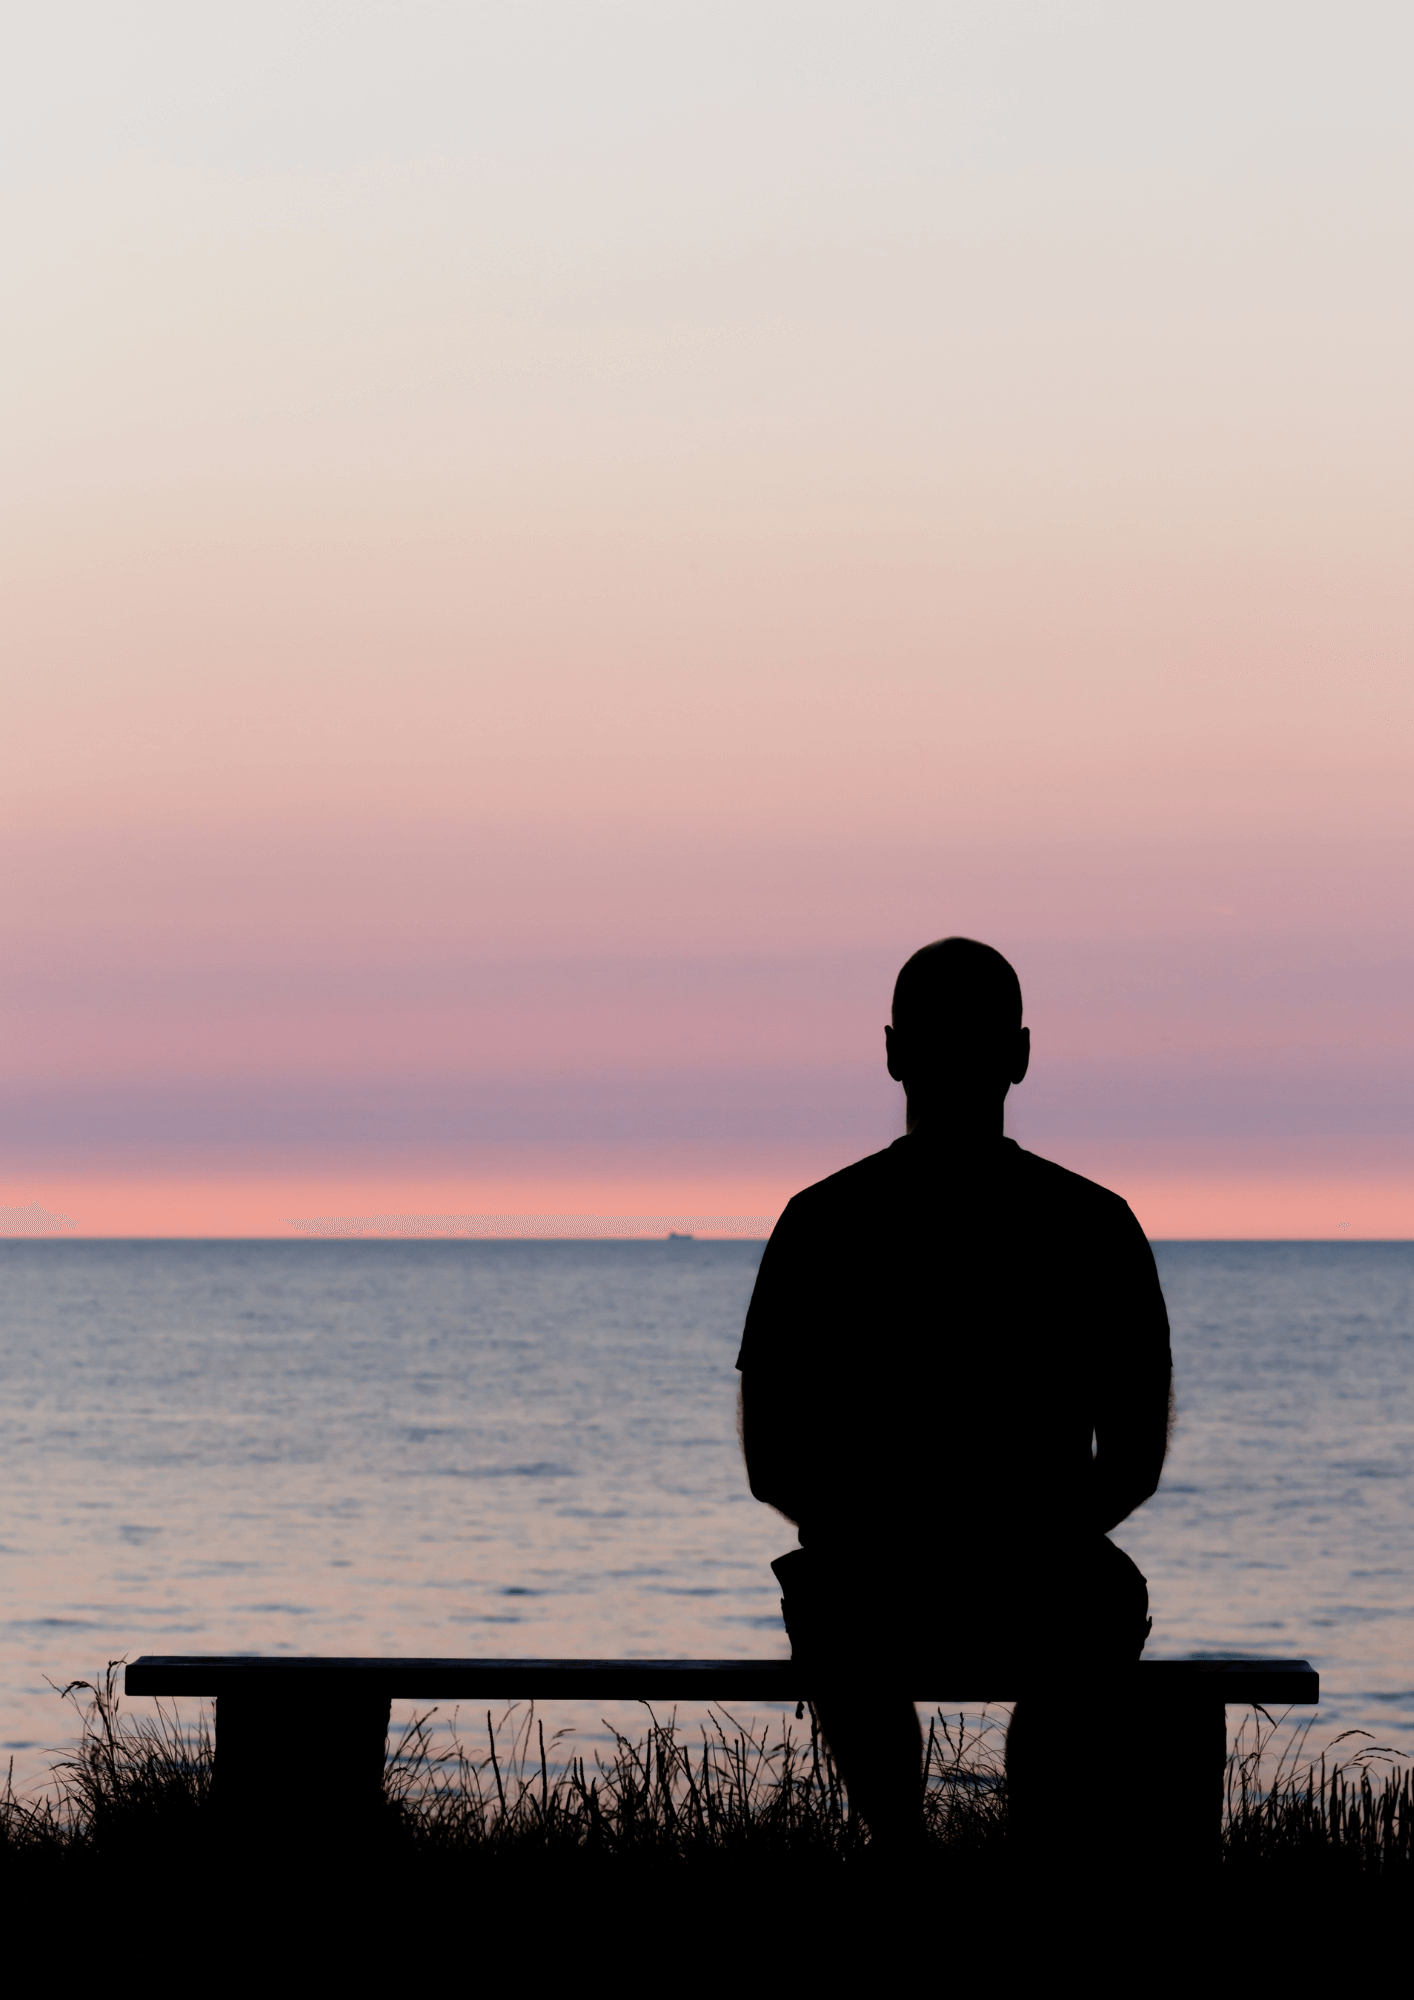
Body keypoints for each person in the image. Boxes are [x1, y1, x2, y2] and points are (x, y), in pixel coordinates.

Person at [736, 937, 1172, 1850]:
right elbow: (1132, 1459)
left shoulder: (820, 1222)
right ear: (1019, 1055)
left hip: (867, 1580)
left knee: (831, 1599)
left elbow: (773, 1459)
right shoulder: (1096, 1224)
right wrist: (1035, 1535)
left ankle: (898, 1841)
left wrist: (874, 1530)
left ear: (893, 1052)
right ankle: (1035, 1841)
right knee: (1101, 1603)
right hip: (1048, 1580)